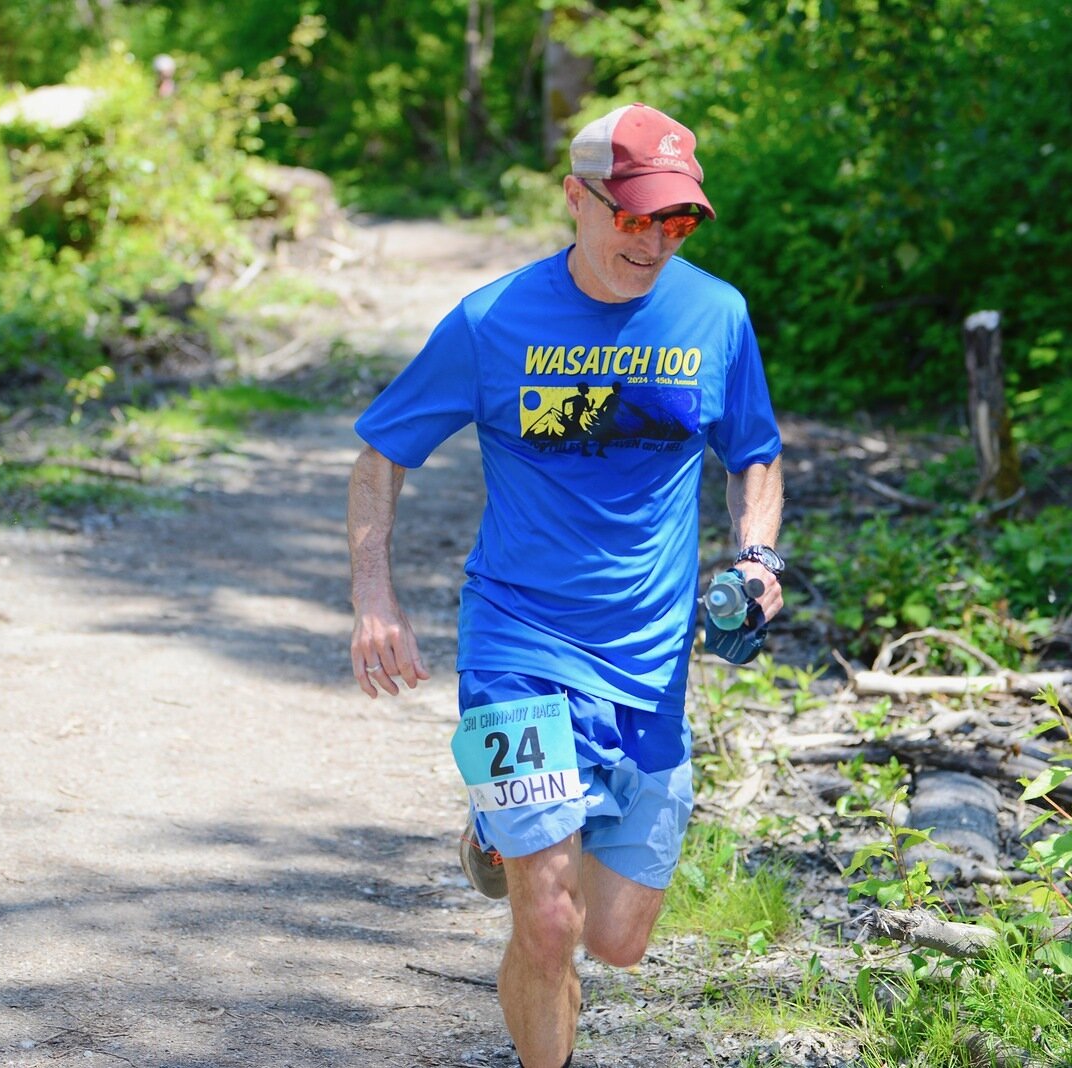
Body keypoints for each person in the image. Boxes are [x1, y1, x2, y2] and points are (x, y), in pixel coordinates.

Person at [346, 102, 785, 1068]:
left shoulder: (715, 315)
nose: (655, 242)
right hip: (518, 642)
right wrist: (375, 598)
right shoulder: (493, 321)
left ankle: (503, 830)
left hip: (649, 662)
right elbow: (383, 452)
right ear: (576, 200)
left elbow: (753, 452)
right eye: (635, 217)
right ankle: (519, 844)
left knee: (615, 938)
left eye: (677, 221)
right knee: (548, 921)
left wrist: (758, 558)